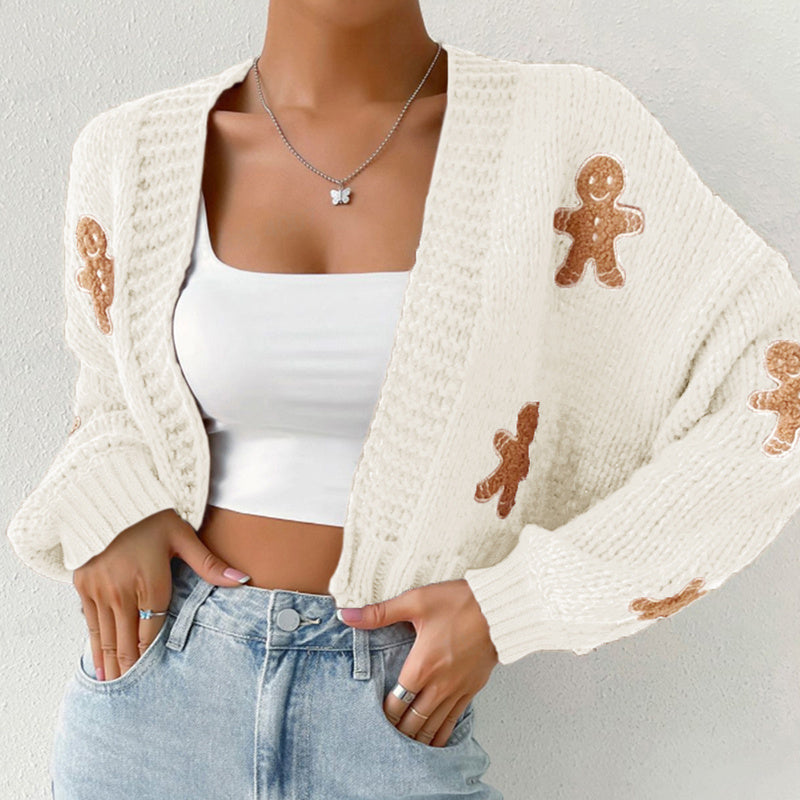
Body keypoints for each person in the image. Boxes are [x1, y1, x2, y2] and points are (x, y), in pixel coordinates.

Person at [7, 2, 800, 799]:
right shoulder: (130, 149)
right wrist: (114, 507)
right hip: (156, 693)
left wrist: (514, 605)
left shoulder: (556, 132)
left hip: (394, 711)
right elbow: (110, 394)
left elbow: (775, 386)